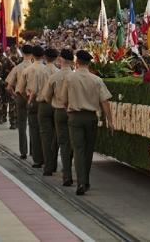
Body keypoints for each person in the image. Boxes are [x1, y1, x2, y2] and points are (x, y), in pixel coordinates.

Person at [62, 49, 113, 195]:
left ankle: (81, 182)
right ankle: (86, 180)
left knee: (78, 150)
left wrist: (69, 110)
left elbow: (63, 100)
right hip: (91, 117)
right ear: (89, 63)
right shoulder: (96, 80)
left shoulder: (70, 78)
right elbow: (105, 102)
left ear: (77, 62)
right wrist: (110, 121)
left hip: (75, 117)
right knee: (89, 150)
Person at [41, 48, 74, 186]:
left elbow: (46, 97)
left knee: (62, 142)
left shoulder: (54, 77)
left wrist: (55, 102)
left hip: (59, 111)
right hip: (74, 112)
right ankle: (69, 170)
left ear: (60, 60)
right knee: (73, 144)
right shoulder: (75, 76)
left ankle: (66, 174)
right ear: (72, 61)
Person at [6, 44, 33, 159]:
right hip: (33, 98)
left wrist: (14, 96)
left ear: (21, 53)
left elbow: (8, 86)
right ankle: (34, 150)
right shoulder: (36, 67)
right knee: (34, 125)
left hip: (20, 97)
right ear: (32, 54)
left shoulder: (17, 67)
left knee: (21, 125)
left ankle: (23, 151)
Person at [25, 45, 50, 168]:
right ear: (43, 55)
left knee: (34, 131)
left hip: (34, 100)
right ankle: (47, 159)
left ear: (33, 56)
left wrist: (29, 100)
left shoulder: (28, 69)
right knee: (46, 132)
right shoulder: (47, 69)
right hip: (48, 102)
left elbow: (29, 88)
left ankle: (37, 159)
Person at [37, 48, 59, 176]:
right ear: (56, 58)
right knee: (56, 136)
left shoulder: (40, 71)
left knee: (46, 136)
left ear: (45, 57)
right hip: (56, 104)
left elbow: (34, 88)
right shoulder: (58, 71)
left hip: (44, 104)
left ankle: (48, 166)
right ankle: (54, 164)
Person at [2, 51, 17, 129]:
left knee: (10, 104)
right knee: (17, 104)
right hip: (18, 86)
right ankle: (17, 122)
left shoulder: (6, 62)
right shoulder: (20, 61)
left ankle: (12, 123)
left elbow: (3, 73)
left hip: (9, 85)